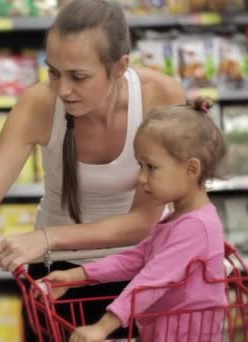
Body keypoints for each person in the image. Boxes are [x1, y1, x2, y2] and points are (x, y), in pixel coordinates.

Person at [0, 0, 185, 339]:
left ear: (119, 67)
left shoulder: (159, 96)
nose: (62, 90)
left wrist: (45, 237)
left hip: (142, 272)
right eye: (54, 72)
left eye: (79, 76)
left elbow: (142, 221)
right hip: (56, 281)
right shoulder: (39, 104)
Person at [39, 97, 228, 342]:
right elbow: (138, 258)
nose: (141, 178)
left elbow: (152, 281)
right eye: (140, 166)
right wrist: (75, 276)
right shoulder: (178, 218)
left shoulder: (196, 228)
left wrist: (103, 327)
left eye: (151, 167)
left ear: (191, 170)